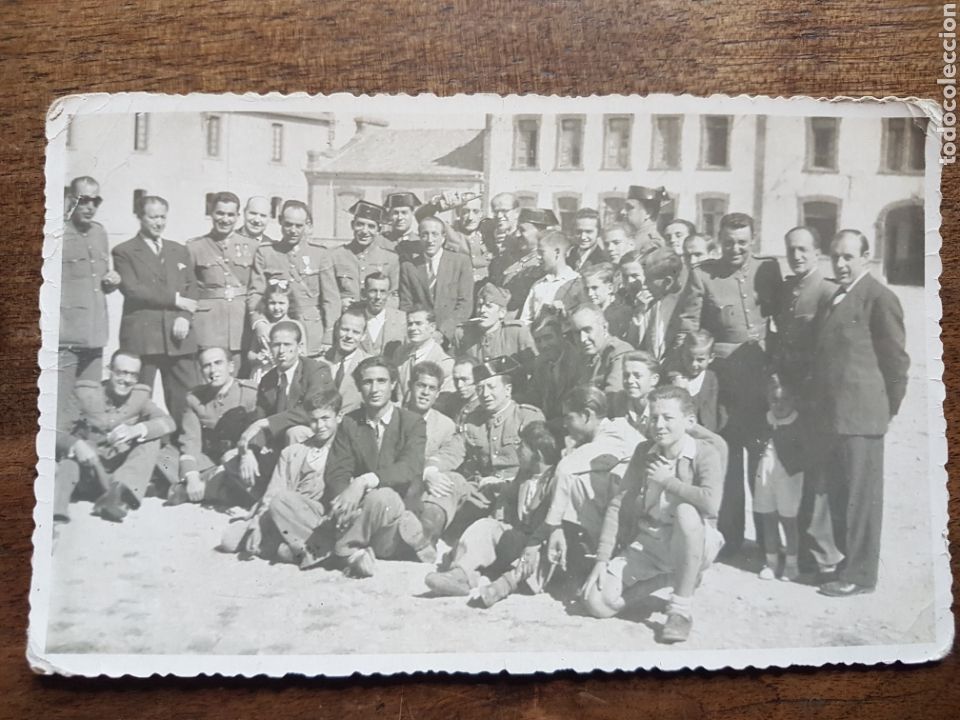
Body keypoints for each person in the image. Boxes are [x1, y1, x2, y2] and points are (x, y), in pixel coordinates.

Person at [807, 229, 909, 597]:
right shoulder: (837, 296)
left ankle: (860, 574)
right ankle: (842, 564)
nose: (840, 263)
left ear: (867, 257)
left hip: (862, 417)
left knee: (860, 499)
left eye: (849, 257)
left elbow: (896, 363)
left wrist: (886, 409)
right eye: (835, 256)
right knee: (839, 492)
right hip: (834, 416)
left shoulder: (879, 298)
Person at [581, 386, 726, 644]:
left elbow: (711, 503)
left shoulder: (704, 452)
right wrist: (602, 559)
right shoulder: (643, 452)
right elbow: (618, 503)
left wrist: (668, 481)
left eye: (668, 418)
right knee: (598, 603)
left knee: (686, 512)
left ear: (688, 421)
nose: (659, 425)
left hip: (695, 540)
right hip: (651, 541)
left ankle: (679, 611)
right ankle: (674, 578)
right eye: (654, 417)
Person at [676, 212, 783, 554]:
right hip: (723, 385)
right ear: (717, 242)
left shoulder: (768, 271)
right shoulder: (703, 275)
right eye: (728, 243)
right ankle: (731, 538)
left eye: (741, 242)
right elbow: (687, 327)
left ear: (752, 240)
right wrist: (684, 373)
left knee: (764, 464)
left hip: (761, 383)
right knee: (728, 460)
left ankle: (769, 542)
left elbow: (779, 321)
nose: (735, 249)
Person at [423, 421, 562, 606]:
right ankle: (460, 575)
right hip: (519, 538)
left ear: (537, 456)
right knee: (485, 527)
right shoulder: (525, 473)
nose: (517, 449)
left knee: (544, 556)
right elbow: (508, 497)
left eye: (522, 446)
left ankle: (504, 585)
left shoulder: (557, 480)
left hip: (539, 544)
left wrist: (535, 544)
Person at [324, 356, 427, 577]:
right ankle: (354, 553)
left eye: (381, 381)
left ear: (393, 385)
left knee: (381, 497)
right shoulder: (351, 422)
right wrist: (344, 501)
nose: (374, 389)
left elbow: (409, 467)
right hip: (356, 511)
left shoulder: (412, 422)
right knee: (283, 502)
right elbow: (337, 470)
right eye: (367, 382)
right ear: (360, 388)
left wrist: (363, 481)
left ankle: (340, 552)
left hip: (391, 512)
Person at [425, 356, 545, 539]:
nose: (485, 394)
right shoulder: (473, 421)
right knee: (448, 480)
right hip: (480, 494)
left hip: (515, 494)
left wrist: (507, 483)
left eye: (491, 387)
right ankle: (426, 537)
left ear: (507, 389)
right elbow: (452, 450)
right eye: (480, 388)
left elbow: (538, 466)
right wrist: (431, 470)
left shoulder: (527, 417)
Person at [220, 389, 343, 567]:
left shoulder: (343, 450)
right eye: (314, 420)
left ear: (338, 417)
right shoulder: (292, 452)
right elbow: (273, 491)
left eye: (325, 419)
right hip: (286, 513)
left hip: (318, 516)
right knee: (230, 540)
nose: (320, 426)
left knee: (280, 505)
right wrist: (257, 522)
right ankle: (301, 551)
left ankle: (303, 549)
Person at [535, 386, 644, 582]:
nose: (565, 425)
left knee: (575, 482)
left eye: (569, 418)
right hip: (636, 510)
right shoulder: (614, 428)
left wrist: (554, 527)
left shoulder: (612, 436)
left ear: (586, 415)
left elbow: (565, 469)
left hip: (642, 517)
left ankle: (606, 553)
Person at [54, 350, 176, 524]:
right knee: (68, 463)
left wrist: (137, 429)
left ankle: (117, 497)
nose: (127, 380)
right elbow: (54, 432)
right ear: (109, 370)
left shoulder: (139, 397)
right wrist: (75, 444)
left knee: (151, 438)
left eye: (133, 375)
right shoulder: (85, 394)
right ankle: (55, 513)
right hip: (89, 471)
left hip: (120, 474)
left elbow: (168, 422)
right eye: (122, 372)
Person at [112, 195, 198, 426]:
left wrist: (184, 317)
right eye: (153, 217)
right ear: (139, 217)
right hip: (143, 340)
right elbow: (133, 290)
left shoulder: (178, 250)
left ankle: (186, 452)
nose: (159, 222)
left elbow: (192, 288)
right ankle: (139, 451)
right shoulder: (124, 251)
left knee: (187, 402)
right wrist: (175, 300)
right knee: (137, 403)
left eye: (162, 217)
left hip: (178, 339)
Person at [237, 321, 335, 489]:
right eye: (276, 345)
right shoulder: (268, 379)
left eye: (287, 344)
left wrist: (266, 423)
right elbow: (260, 420)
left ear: (299, 346)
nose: (281, 351)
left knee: (294, 432)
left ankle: (290, 493)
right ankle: (265, 494)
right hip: (280, 447)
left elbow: (312, 411)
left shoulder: (316, 370)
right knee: (235, 459)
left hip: (315, 438)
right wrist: (250, 452)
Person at [162, 346, 259, 507]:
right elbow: (190, 441)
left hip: (238, 458)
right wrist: (192, 476)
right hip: (207, 461)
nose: (213, 370)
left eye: (218, 363)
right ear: (201, 371)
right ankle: (214, 487)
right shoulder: (194, 398)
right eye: (207, 366)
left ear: (231, 367)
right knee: (165, 457)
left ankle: (195, 489)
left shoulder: (249, 393)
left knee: (245, 468)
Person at [247, 200, 341, 356]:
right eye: (288, 224)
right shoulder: (266, 253)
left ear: (307, 225)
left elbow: (331, 300)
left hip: (311, 333)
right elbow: (256, 294)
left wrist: (329, 336)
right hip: (275, 330)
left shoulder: (320, 255)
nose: (293, 230)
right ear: (280, 222)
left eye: (299, 226)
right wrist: (259, 323)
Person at [59, 176, 120, 409]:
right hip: (66, 339)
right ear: (69, 200)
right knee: (61, 406)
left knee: (90, 404)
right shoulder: (56, 233)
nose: (90, 207)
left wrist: (112, 280)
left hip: (95, 336)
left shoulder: (99, 233)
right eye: (83, 200)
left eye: (96, 201)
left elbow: (100, 279)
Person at [187, 191, 254, 365]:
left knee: (240, 379)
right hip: (208, 326)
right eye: (220, 213)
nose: (225, 219)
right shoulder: (194, 247)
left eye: (231, 215)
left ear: (238, 216)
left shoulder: (253, 247)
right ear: (211, 213)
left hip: (241, 325)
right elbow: (187, 287)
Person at [754, 375, 809, 582]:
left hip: (788, 477)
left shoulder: (797, 422)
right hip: (765, 475)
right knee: (768, 517)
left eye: (784, 400)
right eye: (774, 400)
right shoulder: (765, 419)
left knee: (789, 520)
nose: (779, 405)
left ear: (794, 400)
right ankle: (771, 562)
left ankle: (792, 564)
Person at [772, 226, 837, 388]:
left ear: (817, 253)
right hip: (784, 380)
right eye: (791, 250)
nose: (796, 256)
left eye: (802, 249)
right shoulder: (786, 289)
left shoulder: (828, 292)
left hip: (813, 382)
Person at [398, 215, 474, 343]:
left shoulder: (461, 262)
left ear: (443, 237)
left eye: (435, 234)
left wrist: (443, 332)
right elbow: (406, 305)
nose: (430, 240)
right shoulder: (409, 267)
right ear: (419, 237)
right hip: (420, 336)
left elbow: (465, 304)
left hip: (451, 336)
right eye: (425, 234)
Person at [331, 200, 399, 307]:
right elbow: (328, 295)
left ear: (379, 230)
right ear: (352, 225)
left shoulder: (391, 259)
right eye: (360, 225)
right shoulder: (335, 256)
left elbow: (394, 296)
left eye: (371, 226)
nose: (364, 231)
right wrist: (340, 302)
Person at [488, 207, 555, 315]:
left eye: (522, 230)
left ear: (541, 232)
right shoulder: (514, 258)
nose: (517, 234)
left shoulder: (543, 264)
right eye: (517, 229)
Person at [454, 283, 536, 365]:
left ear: (502, 313)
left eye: (489, 306)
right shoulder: (463, 334)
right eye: (479, 305)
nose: (482, 310)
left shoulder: (516, 332)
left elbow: (534, 367)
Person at [524, 310, 583, 423]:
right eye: (538, 340)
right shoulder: (540, 363)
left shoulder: (576, 361)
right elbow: (533, 396)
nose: (543, 345)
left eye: (548, 337)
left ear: (561, 336)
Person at [519, 229, 586, 324]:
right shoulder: (538, 285)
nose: (538, 257)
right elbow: (526, 320)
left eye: (542, 252)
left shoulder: (576, 282)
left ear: (557, 252)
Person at [246, 281, 306, 383]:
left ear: (289, 304)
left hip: (288, 372)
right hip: (264, 372)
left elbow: (303, 353)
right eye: (272, 303)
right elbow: (251, 353)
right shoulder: (263, 326)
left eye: (281, 303)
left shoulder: (296, 325)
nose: (277, 308)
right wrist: (258, 357)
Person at [392, 307, 455, 402]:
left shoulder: (445, 363)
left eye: (418, 323)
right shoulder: (400, 353)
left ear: (432, 327)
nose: (412, 328)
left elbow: (443, 403)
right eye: (410, 324)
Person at [636, 247, 687, 360]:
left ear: (667, 282)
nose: (644, 285)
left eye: (649, 280)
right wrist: (639, 312)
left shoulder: (685, 305)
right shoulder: (652, 300)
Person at [569, 304, 633, 394]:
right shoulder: (584, 357)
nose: (582, 339)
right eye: (576, 333)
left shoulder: (619, 352)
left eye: (587, 330)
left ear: (604, 327)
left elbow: (613, 398)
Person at [667, 331, 722, 433]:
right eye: (689, 358)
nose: (694, 364)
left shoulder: (713, 379)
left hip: (708, 435)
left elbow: (717, 413)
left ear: (711, 358)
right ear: (682, 354)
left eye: (700, 360)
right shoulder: (675, 380)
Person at [320, 306, 371, 415]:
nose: (349, 336)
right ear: (337, 330)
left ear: (363, 336)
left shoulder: (369, 365)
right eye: (345, 329)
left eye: (356, 332)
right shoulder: (320, 362)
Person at [358, 271, 407, 358]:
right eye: (373, 291)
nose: (378, 297)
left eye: (383, 292)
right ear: (364, 293)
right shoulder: (353, 318)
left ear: (388, 295)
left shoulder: (402, 320)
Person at [581, 262, 633, 342]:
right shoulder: (587, 311)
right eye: (586, 289)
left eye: (594, 288)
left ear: (610, 288)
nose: (589, 293)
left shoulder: (622, 313)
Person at [621, 185, 668, 254]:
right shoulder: (637, 237)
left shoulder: (652, 244)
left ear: (648, 213)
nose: (622, 212)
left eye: (629, 207)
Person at [382, 191, 423, 261]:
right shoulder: (381, 241)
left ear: (412, 214)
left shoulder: (420, 242)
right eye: (395, 213)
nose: (400, 217)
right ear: (390, 215)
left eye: (404, 213)